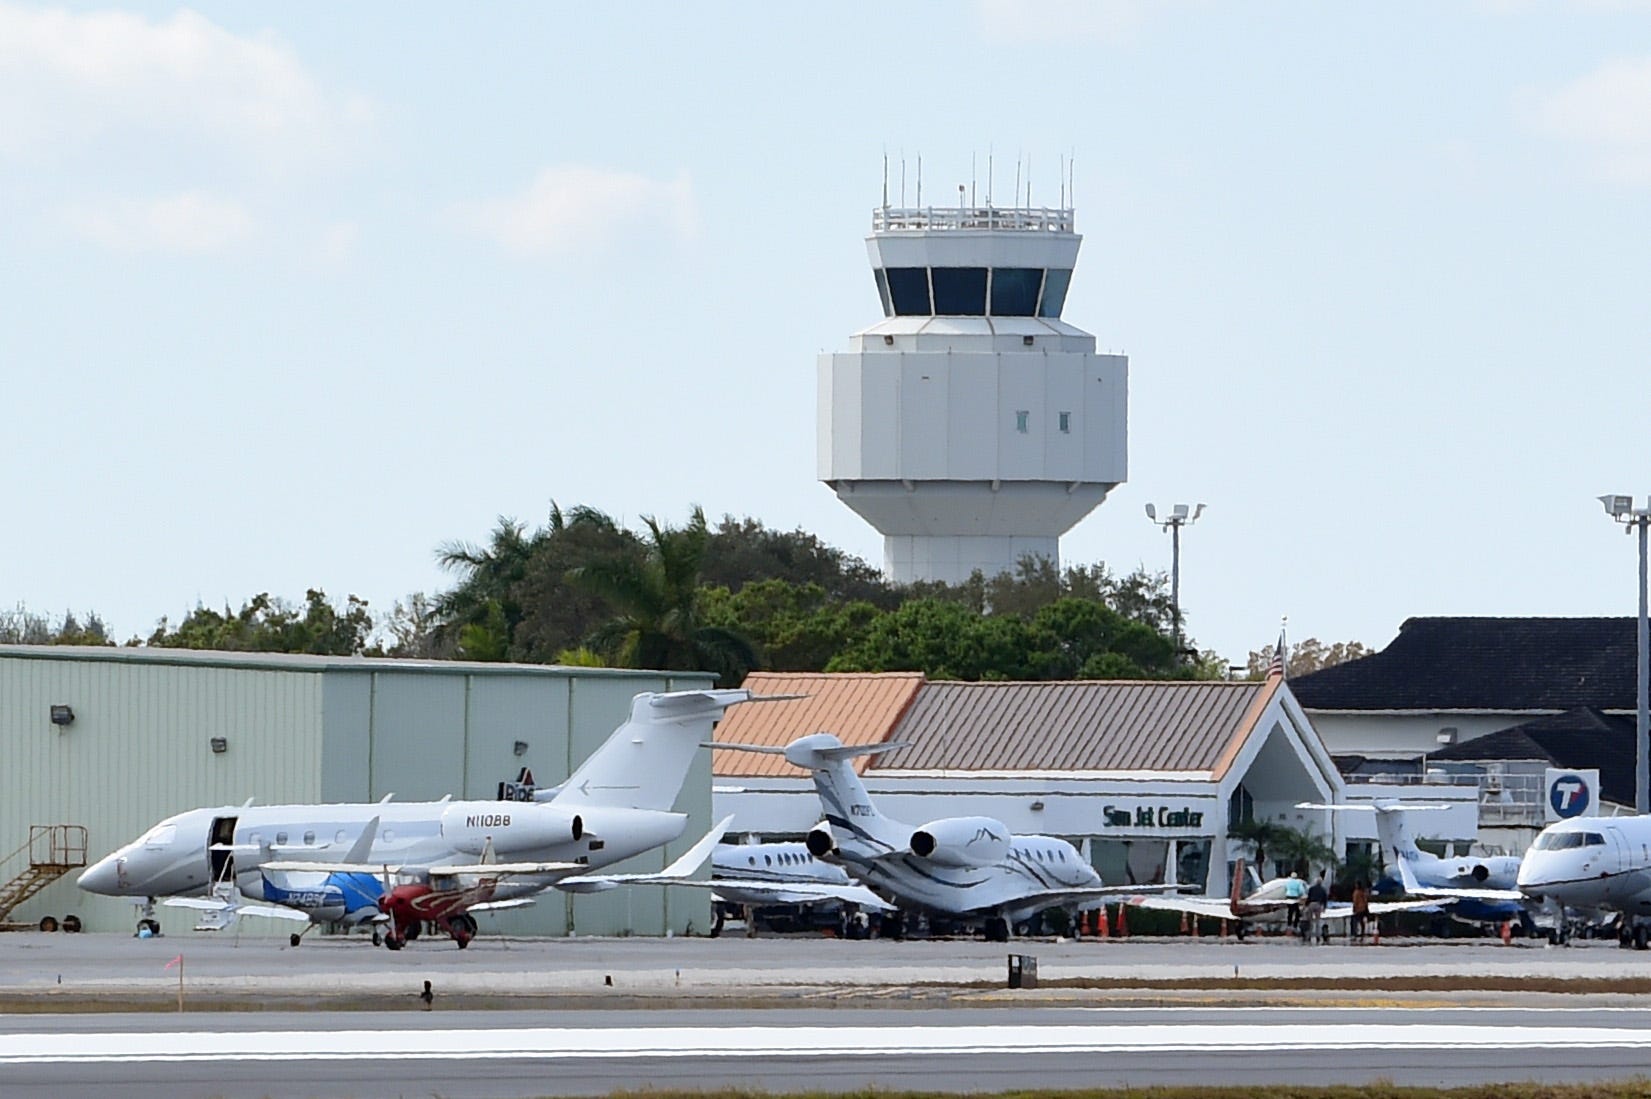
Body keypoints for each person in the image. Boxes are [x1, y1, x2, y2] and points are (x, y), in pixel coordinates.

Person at [1304, 872, 1329, 944]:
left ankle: (1309, 936)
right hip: (1318, 905)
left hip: (1311, 904)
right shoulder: (1323, 890)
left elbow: (1308, 898)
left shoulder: (1311, 889)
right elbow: (1325, 899)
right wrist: (1324, 907)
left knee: (1310, 921)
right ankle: (1318, 936)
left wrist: (1306, 906)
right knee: (1318, 921)